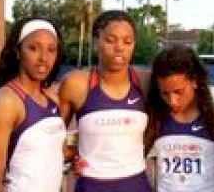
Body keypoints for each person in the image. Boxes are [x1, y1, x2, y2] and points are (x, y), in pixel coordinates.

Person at [59, 10, 151, 192]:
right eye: (110, 40)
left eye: (127, 41)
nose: (119, 47)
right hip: (92, 185)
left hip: (136, 185)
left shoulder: (145, 82)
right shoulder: (76, 84)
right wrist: (71, 156)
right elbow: (51, 133)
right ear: (96, 43)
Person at [0, 17, 65, 192]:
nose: (44, 58)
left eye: (51, 50)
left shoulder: (52, 97)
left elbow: (52, 152)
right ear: (18, 51)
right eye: (34, 48)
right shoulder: (7, 101)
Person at [145, 44, 214, 192]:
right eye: (165, 93)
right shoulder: (154, 119)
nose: (172, 101)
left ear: (195, 81)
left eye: (179, 92)